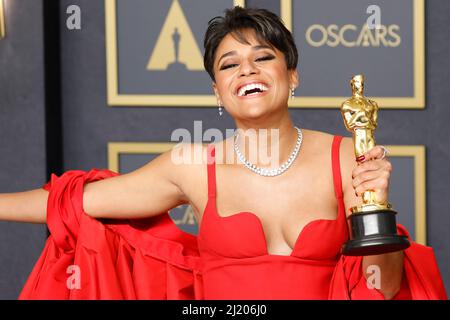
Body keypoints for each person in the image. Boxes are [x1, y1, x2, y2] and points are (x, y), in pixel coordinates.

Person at [0, 6, 446, 300]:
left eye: (263, 57)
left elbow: (382, 288)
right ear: (218, 90)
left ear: (292, 76)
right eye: (229, 64)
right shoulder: (191, 167)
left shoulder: (347, 156)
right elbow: (73, 203)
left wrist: (378, 209)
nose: (246, 69)